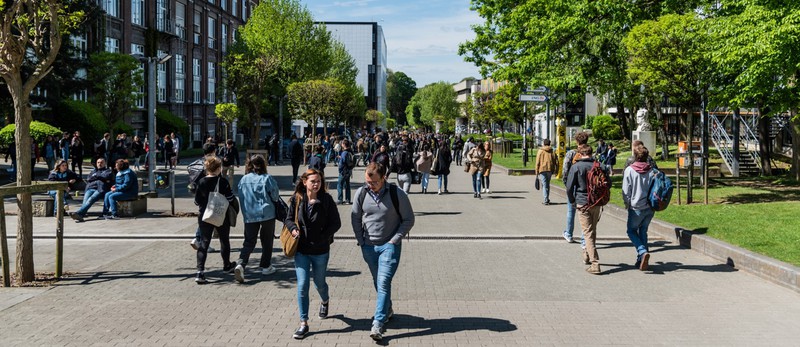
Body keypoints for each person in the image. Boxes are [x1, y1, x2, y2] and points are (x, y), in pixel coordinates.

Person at [351, 163, 414, 342]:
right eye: (367, 182)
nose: (370, 185)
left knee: (384, 281)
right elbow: (355, 217)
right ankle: (388, 309)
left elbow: (409, 219)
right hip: (369, 246)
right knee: (377, 281)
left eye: (374, 182)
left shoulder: (397, 194)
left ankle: (378, 323)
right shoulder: (361, 193)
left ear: (383, 178)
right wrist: (361, 240)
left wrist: (395, 240)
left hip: (389, 245)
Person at [286, 168, 341, 339]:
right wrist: (293, 229)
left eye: (318, 181)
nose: (316, 184)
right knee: (303, 285)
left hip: (320, 251)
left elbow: (336, 223)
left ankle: (325, 300)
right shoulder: (297, 199)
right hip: (301, 250)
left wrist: (323, 237)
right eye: (313, 181)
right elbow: (288, 219)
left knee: (319, 283)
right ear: (305, 182)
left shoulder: (326, 200)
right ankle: (304, 323)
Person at [234, 154, 280, 283]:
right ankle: (266, 266)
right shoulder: (267, 178)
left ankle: (241, 263)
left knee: (249, 241)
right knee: (267, 240)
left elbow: (241, 196)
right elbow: (275, 196)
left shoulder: (244, 179)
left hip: (250, 214)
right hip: (267, 213)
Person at [193, 156, 236, 284]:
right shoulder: (223, 182)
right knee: (224, 240)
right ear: (218, 169)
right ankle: (227, 265)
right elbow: (230, 198)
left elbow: (197, 201)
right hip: (220, 215)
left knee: (204, 242)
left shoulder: (201, 182)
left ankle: (200, 272)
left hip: (204, 216)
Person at [566, 144, 606, 275]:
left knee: (587, 232)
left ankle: (595, 263)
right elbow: (608, 183)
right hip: (597, 202)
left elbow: (569, 187)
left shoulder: (576, 167)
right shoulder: (599, 166)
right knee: (592, 230)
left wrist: (572, 200)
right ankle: (587, 254)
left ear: (580, 154)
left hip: (582, 202)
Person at [622, 145, 655, 271]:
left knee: (631, 231)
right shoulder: (652, 171)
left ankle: (642, 251)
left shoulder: (630, 170)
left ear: (635, 156)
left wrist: (627, 203)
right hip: (650, 207)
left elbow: (626, 191)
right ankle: (641, 260)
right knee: (643, 231)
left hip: (636, 207)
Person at [561, 131, 589, 244]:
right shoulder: (590, 153)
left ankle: (569, 233)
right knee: (585, 213)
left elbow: (565, 170)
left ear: (576, 141)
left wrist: (567, 184)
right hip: (586, 186)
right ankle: (584, 237)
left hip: (573, 185)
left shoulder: (571, 153)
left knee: (571, 211)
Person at [70, 158, 114, 222]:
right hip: (90, 188)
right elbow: (89, 178)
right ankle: (80, 216)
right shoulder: (93, 171)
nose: (99, 164)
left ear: (105, 164)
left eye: (101, 162)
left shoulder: (108, 171)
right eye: (98, 162)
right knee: (85, 202)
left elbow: (105, 177)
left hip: (100, 189)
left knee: (91, 199)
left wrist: (96, 176)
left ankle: (79, 213)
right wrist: (99, 177)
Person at [535, 139, 558, 205]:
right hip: (550, 169)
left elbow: (537, 162)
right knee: (547, 184)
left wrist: (536, 171)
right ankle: (547, 198)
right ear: (549, 144)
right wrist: (556, 170)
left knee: (545, 184)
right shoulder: (552, 151)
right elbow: (556, 161)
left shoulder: (540, 151)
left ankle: (546, 200)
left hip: (542, 169)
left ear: (543, 143)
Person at [337, 140, 354, 204]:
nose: (341, 144)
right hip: (349, 170)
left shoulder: (344, 152)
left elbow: (343, 162)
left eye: (342, 143)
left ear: (344, 144)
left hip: (343, 171)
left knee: (339, 185)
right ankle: (348, 199)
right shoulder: (350, 151)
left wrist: (340, 169)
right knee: (347, 185)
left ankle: (340, 199)